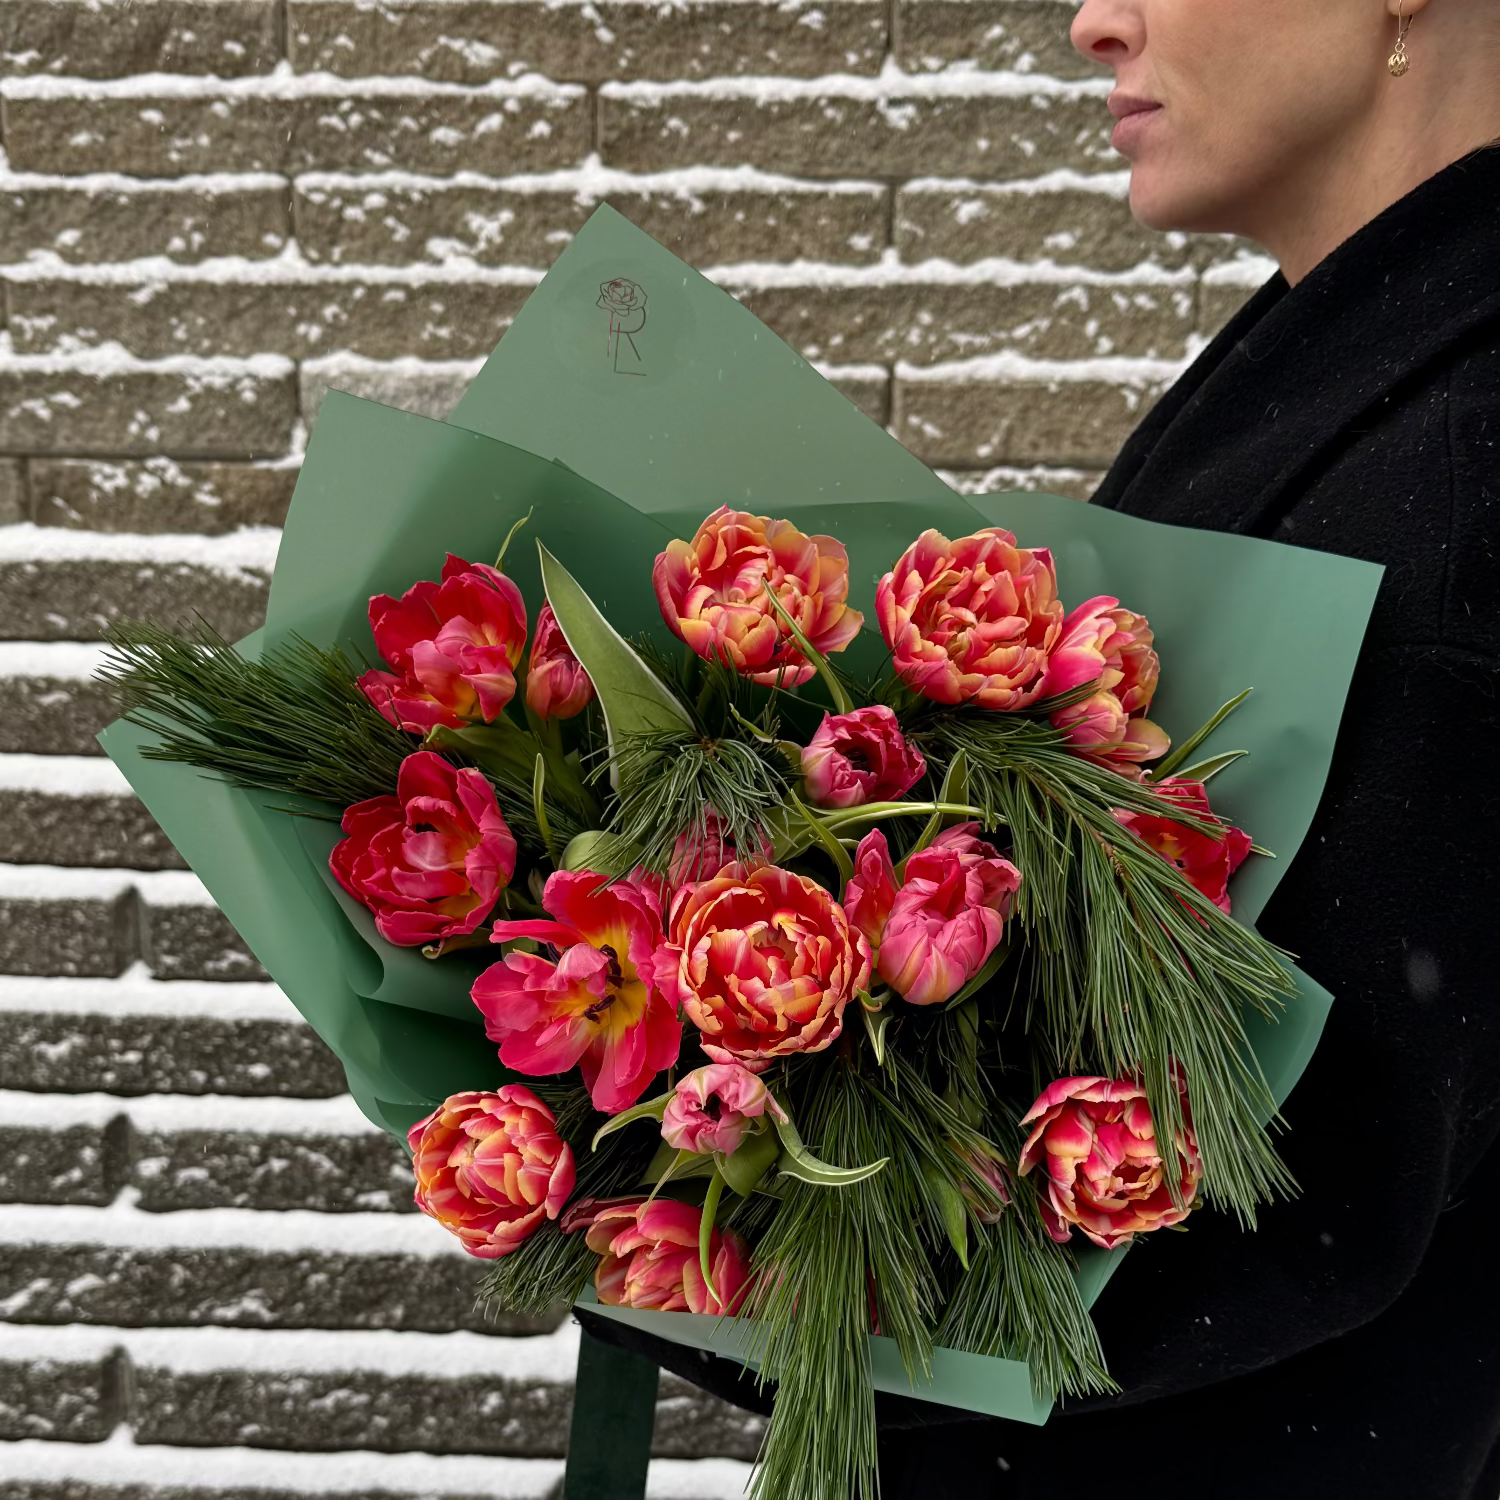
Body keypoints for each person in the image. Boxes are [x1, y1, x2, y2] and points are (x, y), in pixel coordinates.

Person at [580, 2, 1500, 1493]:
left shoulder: (1450, 493)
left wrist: (638, 1174)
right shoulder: (1355, 366)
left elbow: (1252, 1214)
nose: (1093, 22)